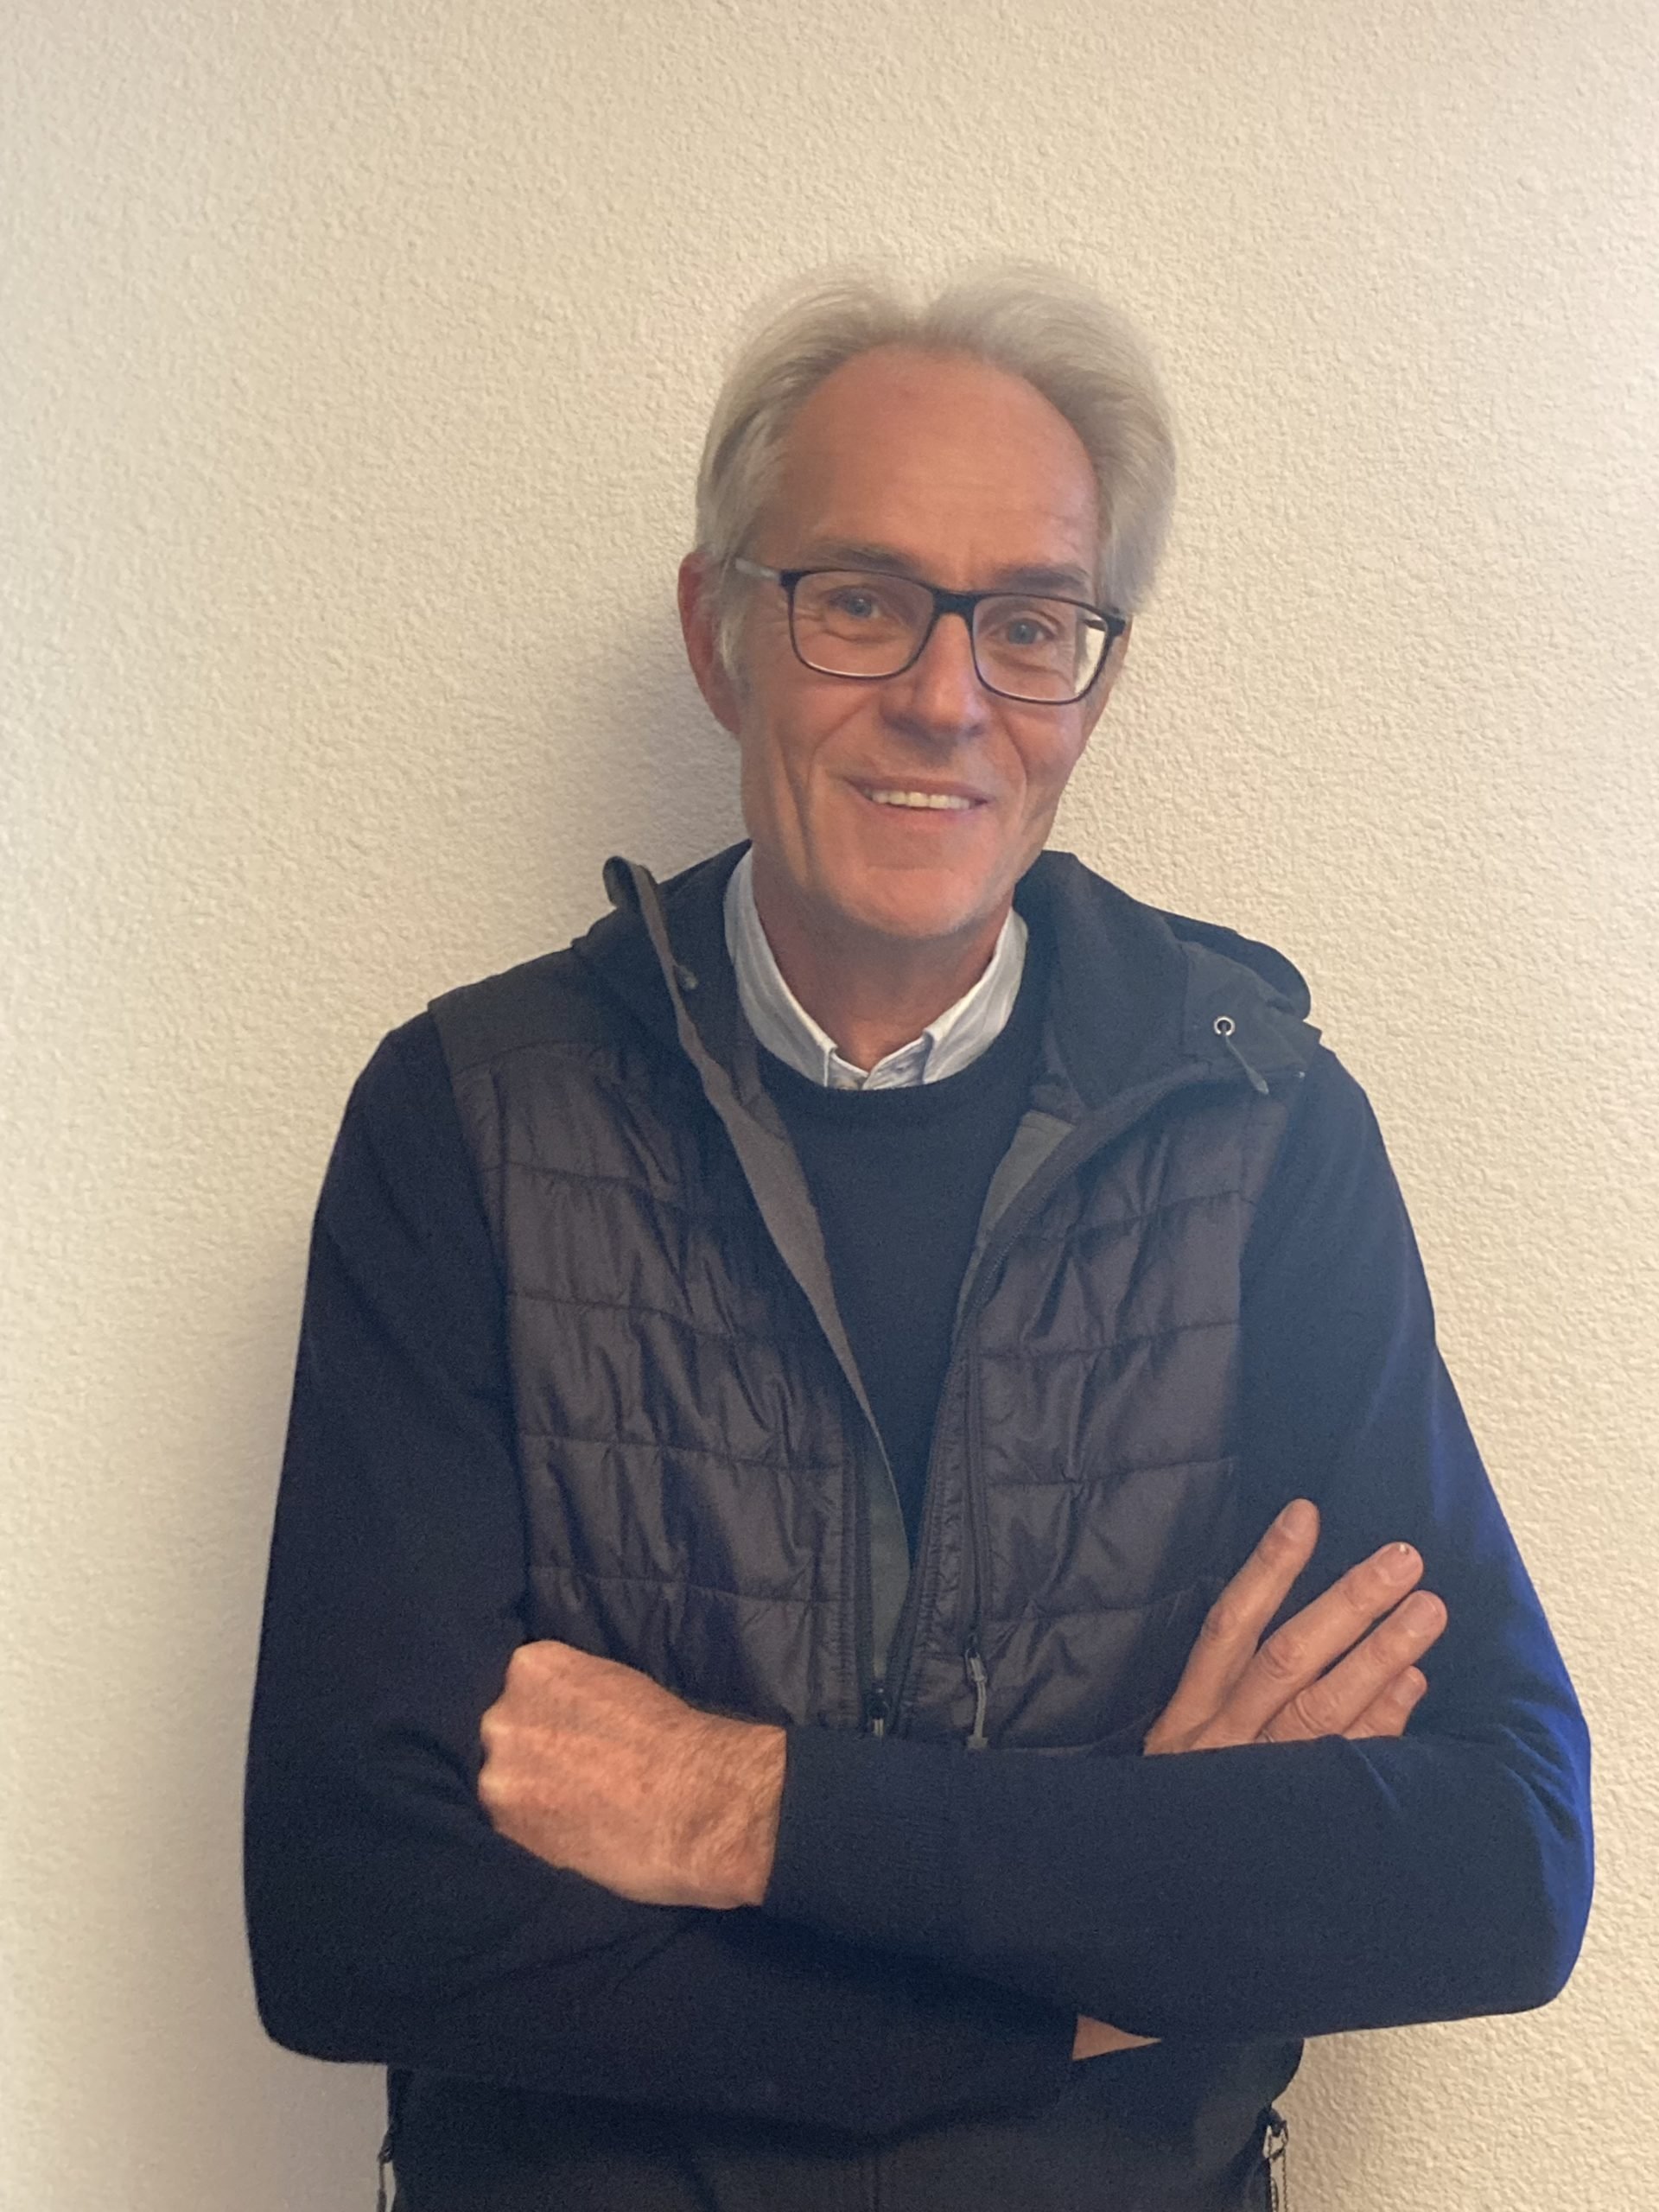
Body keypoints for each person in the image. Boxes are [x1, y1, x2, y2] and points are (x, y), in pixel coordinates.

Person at [245, 268, 1592, 2211]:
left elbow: (1498, 1861)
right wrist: (1101, 1956)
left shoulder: (1266, 1132)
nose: (948, 696)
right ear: (720, 633)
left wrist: (737, 1803)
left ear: (1093, 684)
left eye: (1029, 623)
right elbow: (352, 1909)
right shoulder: (466, 1119)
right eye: (861, 599)